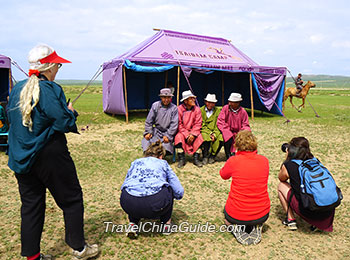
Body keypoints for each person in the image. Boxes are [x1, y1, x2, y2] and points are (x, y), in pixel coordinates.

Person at [7, 44, 98, 260]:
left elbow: (15, 122)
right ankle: (79, 248)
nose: (58, 69)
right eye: (57, 65)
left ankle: (32, 256)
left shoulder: (17, 89)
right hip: (50, 155)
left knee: (31, 206)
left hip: (21, 156)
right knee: (72, 199)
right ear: (48, 68)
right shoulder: (50, 90)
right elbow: (63, 121)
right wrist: (71, 113)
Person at [120, 141, 184, 238]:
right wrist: (176, 196)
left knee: (134, 191)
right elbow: (178, 190)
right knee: (169, 188)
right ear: (161, 156)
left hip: (128, 203)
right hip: (154, 203)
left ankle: (133, 224)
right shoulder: (163, 163)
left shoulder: (135, 162)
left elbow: (126, 183)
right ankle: (166, 225)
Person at [220, 130, 270, 245]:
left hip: (236, 214)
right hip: (261, 213)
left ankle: (236, 227)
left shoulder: (233, 161)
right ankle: (255, 226)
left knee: (227, 219)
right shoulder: (264, 161)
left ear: (236, 145)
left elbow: (223, 175)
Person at [277, 137, 335, 232]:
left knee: (281, 186)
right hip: (328, 211)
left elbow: (281, 178)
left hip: (309, 210)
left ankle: (290, 219)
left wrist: (287, 159)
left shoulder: (290, 165)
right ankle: (317, 223)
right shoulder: (315, 161)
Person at [142, 88, 178, 155]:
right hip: (156, 131)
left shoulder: (174, 108)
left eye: (168, 97)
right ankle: (149, 155)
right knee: (146, 140)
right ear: (161, 97)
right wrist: (148, 132)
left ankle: (160, 155)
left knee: (165, 146)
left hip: (167, 132)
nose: (166, 100)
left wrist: (168, 135)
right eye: (164, 97)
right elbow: (149, 121)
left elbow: (174, 124)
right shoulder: (155, 105)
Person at [174, 90, 204, 168]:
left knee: (200, 137)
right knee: (178, 138)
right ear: (185, 101)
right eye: (191, 99)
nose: (193, 100)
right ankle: (181, 158)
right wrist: (187, 135)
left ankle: (196, 158)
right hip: (183, 132)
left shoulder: (197, 109)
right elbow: (179, 124)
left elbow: (198, 123)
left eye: (193, 98)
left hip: (194, 132)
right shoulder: (179, 109)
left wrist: (193, 134)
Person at [217, 93, 251, 159]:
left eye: (232, 102)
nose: (230, 103)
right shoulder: (225, 108)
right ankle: (228, 154)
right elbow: (220, 120)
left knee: (243, 137)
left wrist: (242, 132)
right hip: (227, 129)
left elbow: (245, 124)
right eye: (230, 102)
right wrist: (226, 129)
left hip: (238, 131)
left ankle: (239, 154)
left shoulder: (243, 111)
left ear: (237, 103)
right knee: (227, 136)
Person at [200, 93, 223, 164]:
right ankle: (205, 156)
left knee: (221, 138)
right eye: (208, 102)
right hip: (204, 130)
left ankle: (213, 155)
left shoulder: (218, 111)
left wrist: (214, 134)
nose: (210, 104)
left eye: (212, 103)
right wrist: (210, 133)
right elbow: (201, 124)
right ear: (205, 102)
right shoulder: (201, 110)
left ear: (215, 103)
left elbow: (219, 123)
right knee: (205, 137)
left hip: (216, 130)